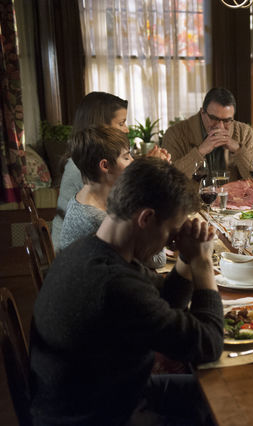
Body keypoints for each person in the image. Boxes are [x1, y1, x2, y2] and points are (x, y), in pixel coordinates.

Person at [30, 158, 224, 425]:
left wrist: (186, 259)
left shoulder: (90, 249)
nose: (171, 241)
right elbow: (208, 345)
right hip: (98, 416)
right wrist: (203, 264)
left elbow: (164, 303)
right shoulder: (114, 284)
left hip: (94, 396)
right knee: (224, 398)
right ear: (146, 218)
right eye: (171, 232)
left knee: (214, 395)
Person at [51, 91, 170, 252]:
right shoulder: (81, 169)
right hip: (70, 252)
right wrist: (150, 170)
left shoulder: (87, 163)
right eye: (121, 123)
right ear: (101, 127)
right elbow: (126, 195)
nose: (126, 129)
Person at [58, 125, 166, 268]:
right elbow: (158, 260)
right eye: (126, 157)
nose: (132, 161)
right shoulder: (97, 220)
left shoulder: (81, 198)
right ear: (105, 166)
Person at [162, 87, 253, 186]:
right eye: (214, 118)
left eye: (227, 120)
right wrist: (200, 152)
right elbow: (166, 183)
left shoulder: (245, 133)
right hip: (191, 201)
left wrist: (238, 150)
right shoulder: (175, 134)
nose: (220, 126)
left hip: (235, 201)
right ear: (202, 112)